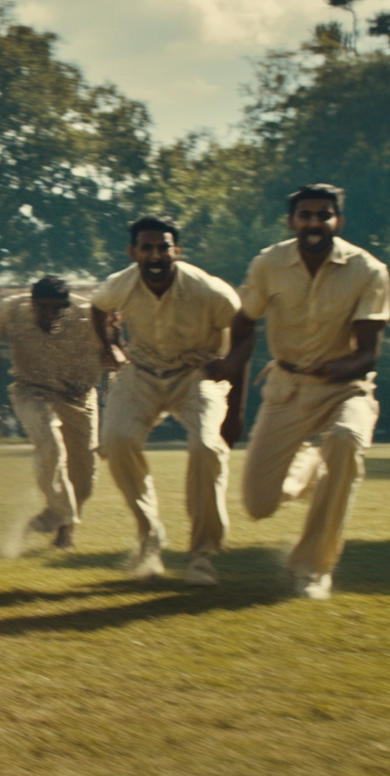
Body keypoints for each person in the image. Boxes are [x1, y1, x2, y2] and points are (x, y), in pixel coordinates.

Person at [209, 185, 390, 600]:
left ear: (337, 222)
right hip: (286, 389)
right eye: (305, 216)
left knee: (345, 442)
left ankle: (312, 568)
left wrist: (337, 368)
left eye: (323, 215)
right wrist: (233, 408)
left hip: (347, 389)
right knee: (258, 504)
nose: (314, 223)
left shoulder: (368, 270)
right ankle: (308, 464)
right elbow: (243, 328)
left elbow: (367, 355)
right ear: (291, 222)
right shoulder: (269, 264)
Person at [92, 216, 241, 585]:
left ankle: (203, 556)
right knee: (115, 441)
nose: (155, 255)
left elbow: (243, 327)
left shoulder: (209, 290)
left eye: (163, 247)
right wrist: (110, 344)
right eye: (147, 247)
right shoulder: (120, 284)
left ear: (176, 250)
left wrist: (230, 371)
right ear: (134, 252)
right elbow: (97, 307)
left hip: (197, 373)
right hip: (140, 372)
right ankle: (149, 533)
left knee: (207, 447)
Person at [0, 276, 105, 549]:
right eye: (43, 308)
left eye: (58, 308)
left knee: (84, 477)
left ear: (67, 305)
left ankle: (56, 524)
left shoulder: (87, 316)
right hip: (32, 390)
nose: (50, 315)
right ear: (31, 302)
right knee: (50, 448)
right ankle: (61, 520)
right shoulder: (13, 308)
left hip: (79, 396)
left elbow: (113, 346)